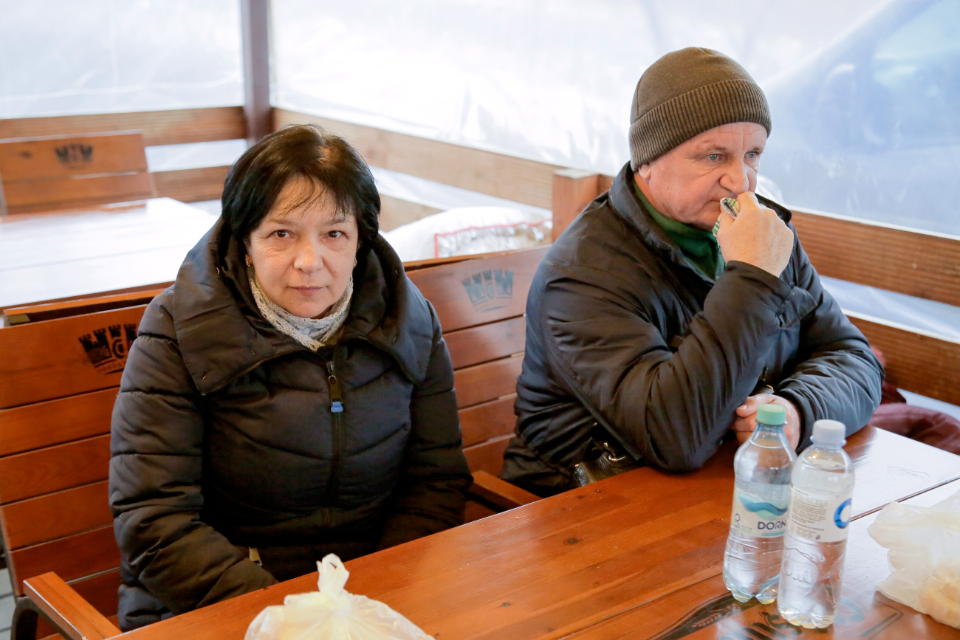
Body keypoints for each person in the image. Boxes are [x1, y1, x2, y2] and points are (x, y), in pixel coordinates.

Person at [109, 125, 472, 630]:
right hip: (219, 602)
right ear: (245, 239)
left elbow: (436, 481)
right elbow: (154, 520)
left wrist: (373, 599)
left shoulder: (407, 318)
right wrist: (289, 618)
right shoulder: (177, 328)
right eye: (282, 234)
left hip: (371, 598)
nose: (309, 262)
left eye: (334, 235)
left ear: (361, 240)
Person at [502, 48, 883, 497]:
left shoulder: (764, 236)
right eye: (713, 157)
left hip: (721, 494)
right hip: (580, 511)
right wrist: (751, 279)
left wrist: (797, 409)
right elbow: (677, 436)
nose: (741, 181)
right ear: (647, 159)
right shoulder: (581, 276)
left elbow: (854, 357)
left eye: (753, 154)